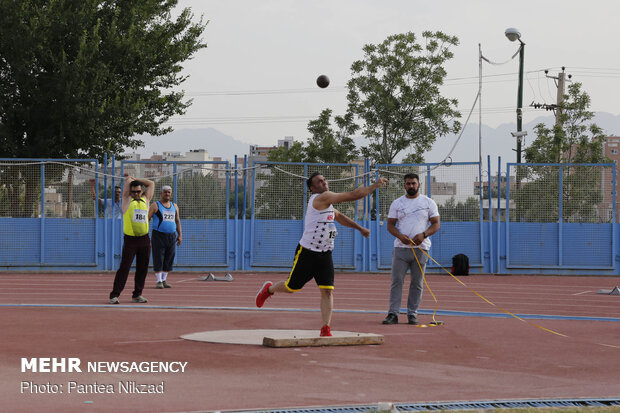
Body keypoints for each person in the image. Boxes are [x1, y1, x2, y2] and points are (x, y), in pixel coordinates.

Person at [255, 172, 388, 337]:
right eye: (320, 181)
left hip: (325, 254)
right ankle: (269, 289)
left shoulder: (328, 204)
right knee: (291, 287)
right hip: (307, 253)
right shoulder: (319, 199)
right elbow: (353, 195)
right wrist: (375, 186)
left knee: (327, 291)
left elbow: (339, 217)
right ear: (312, 188)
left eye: (325, 179)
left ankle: (325, 328)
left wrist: (359, 228)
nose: (324, 182)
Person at [382, 173, 440, 325]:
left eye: (413, 183)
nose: (411, 186)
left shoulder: (429, 202)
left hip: (421, 249)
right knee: (396, 281)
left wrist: (424, 234)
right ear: (404, 185)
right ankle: (393, 313)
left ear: (419, 184)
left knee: (417, 283)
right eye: (408, 184)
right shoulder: (397, 203)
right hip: (401, 249)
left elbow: (436, 224)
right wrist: (400, 236)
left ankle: (412, 313)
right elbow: (390, 225)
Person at [109, 175, 155, 304]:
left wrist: (138, 179)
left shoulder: (146, 199)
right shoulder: (127, 200)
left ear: (141, 191)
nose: (136, 194)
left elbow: (151, 183)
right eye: (133, 191)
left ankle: (137, 294)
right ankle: (115, 295)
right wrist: (129, 179)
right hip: (130, 240)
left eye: (138, 191)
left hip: (144, 240)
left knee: (143, 268)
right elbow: (128, 185)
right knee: (125, 267)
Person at [148, 185, 182, 289]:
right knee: (158, 257)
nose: (167, 194)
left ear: (171, 194)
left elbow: (177, 220)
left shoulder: (174, 206)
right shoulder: (155, 205)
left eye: (169, 192)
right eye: (165, 192)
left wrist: (180, 235)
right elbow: (147, 219)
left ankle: (164, 279)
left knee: (169, 257)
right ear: (161, 194)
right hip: (158, 235)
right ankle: (158, 280)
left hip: (171, 236)